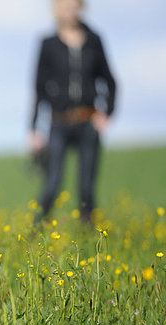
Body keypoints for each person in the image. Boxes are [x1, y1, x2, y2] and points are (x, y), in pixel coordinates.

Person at [29, 0, 116, 223]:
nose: (68, 10)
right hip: (58, 122)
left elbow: (110, 81)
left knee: (86, 187)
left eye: (72, 6)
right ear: (55, 10)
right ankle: (34, 237)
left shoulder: (94, 40)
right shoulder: (47, 44)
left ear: (80, 8)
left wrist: (107, 113)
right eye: (63, 6)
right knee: (51, 184)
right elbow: (38, 89)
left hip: (88, 121)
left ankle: (89, 242)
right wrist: (33, 129)